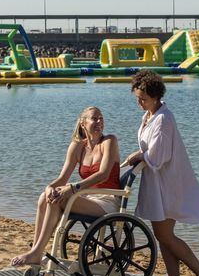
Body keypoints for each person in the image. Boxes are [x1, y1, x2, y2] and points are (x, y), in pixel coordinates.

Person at [124, 70, 199, 276]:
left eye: (142, 98)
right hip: (157, 182)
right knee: (162, 235)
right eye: (137, 97)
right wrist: (140, 154)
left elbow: (159, 155)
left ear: (155, 96)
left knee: (165, 235)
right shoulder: (150, 115)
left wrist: (140, 156)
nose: (139, 102)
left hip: (168, 182)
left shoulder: (163, 119)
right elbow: (151, 150)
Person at [11, 106, 120, 267]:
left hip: (107, 201)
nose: (99, 121)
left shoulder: (109, 141)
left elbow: (103, 174)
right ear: (83, 123)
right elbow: (62, 178)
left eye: (101, 118)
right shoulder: (77, 147)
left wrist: (73, 188)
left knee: (59, 199)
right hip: (88, 197)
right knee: (45, 197)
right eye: (94, 118)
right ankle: (36, 250)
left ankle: (36, 253)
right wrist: (49, 187)